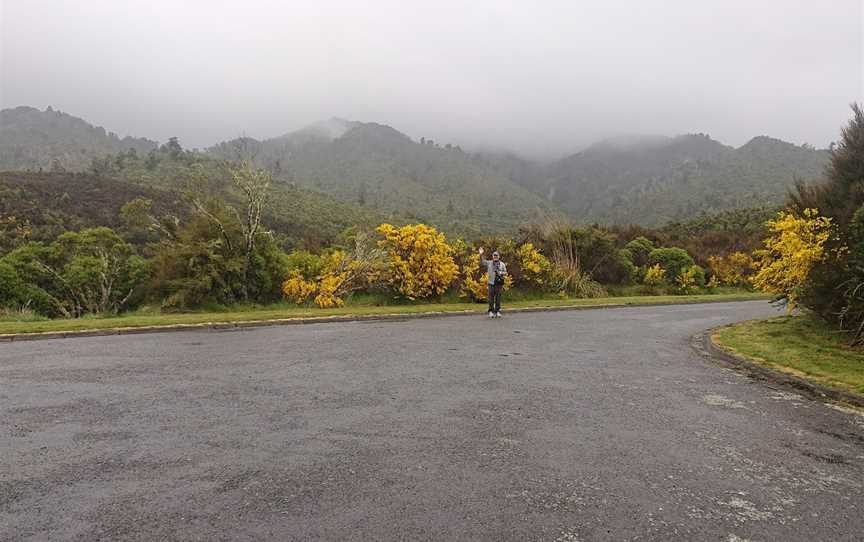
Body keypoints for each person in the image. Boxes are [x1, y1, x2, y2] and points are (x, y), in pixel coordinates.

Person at [478, 247, 507, 318]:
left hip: (499, 284)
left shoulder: (502, 264)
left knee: (498, 298)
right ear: (492, 256)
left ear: (499, 256)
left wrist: (501, 273)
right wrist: (481, 254)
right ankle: (491, 311)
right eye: (494, 256)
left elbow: (505, 273)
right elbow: (482, 262)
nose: (495, 257)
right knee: (490, 298)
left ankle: (497, 311)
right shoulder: (489, 263)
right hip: (491, 283)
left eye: (496, 256)